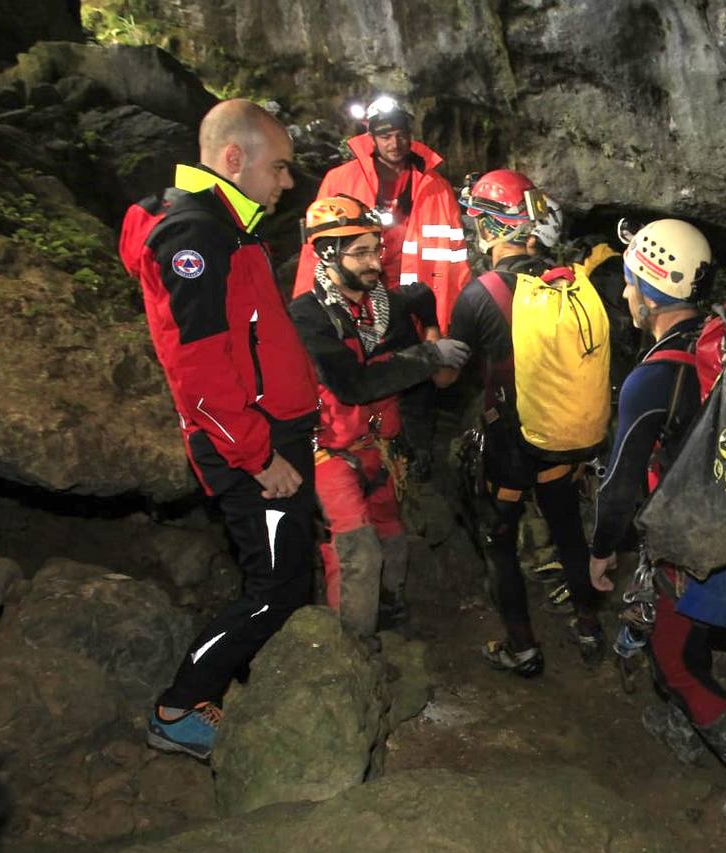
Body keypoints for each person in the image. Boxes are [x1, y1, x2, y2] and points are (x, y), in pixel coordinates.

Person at [119, 99, 319, 762]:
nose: (287, 182)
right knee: (274, 591)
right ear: (234, 158)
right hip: (251, 448)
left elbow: (247, 341)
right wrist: (259, 456)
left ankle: (237, 691)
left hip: (269, 434)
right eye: (281, 167)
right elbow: (196, 368)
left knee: (285, 579)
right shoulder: (196, 235)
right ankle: (179, 707)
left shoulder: (227, 225)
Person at [588, 218, 726, 827]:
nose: (624, 295)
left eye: (627, 283)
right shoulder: (722, 340)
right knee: (680, 638)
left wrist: (602, 549)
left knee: (678, 659)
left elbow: (621, 480)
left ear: (648, 291)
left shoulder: (653, 377)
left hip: (696, 539)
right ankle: (681, 722)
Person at [289, 196, 471, 635]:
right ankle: (350, 645)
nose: (376, 262)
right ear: (329, 254)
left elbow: (420, 298)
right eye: (363, 252)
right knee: (357, 549)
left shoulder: (382, 306)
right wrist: (427, 353)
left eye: (378, 250)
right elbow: (354, 384)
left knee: (391, 535)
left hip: (381, 450)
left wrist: (429, 331)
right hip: (331, 452)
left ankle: (387, 607)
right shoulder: (307, 317)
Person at [447, 168, 603, 677]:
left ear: (489, 228)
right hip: (560, 438)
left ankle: (523, 647)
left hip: (509, 443)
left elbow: (451, 378)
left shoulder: (477, 295)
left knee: (499, 542)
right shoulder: (563, 284)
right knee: (566, 531)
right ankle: (587, 624)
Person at [292, 95, 469, 329]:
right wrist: (307, 312)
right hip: (355, 295)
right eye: (385, 137)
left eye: (401, 136)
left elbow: (454, 257)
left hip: (414, 299)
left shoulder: (436, 187)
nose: (394, 144)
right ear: (371, 138)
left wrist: (454, 320)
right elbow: (314, 249)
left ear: (410, 136)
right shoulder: (340, 180)